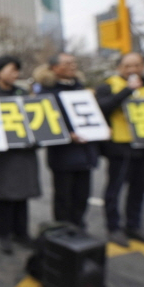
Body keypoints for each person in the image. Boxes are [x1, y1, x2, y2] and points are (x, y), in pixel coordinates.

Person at [96, 52, 144, 246]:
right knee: (115, 189)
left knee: (139, 189)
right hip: (120, 147)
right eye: (128, 66)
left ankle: (134, 225)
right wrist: (127, 91)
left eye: (137, 65)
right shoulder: (108, 86)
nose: (133, 70)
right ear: (119, 68)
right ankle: (113, 227)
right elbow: (103, 108)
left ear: (143, 66)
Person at [0, 56, 40, 254]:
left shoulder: (21, 92)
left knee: (22, 195)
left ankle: (21, 232)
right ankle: (3, 234)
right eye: (11, 70)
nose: (15, 74)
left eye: (17, 70)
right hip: (3, 156)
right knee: (4, 195)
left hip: (24, 153)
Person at [36, 53, 98, 230]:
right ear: (54, 68)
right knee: (64, 197)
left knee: (82, 195)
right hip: (62, 154)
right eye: (67, 63)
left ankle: (79, 229)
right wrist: (67, 135)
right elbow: (45, 125)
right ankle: (63, 233)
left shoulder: (82, 90)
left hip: (85, 152)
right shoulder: (47, 93)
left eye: (73, 62)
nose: (72, 66)